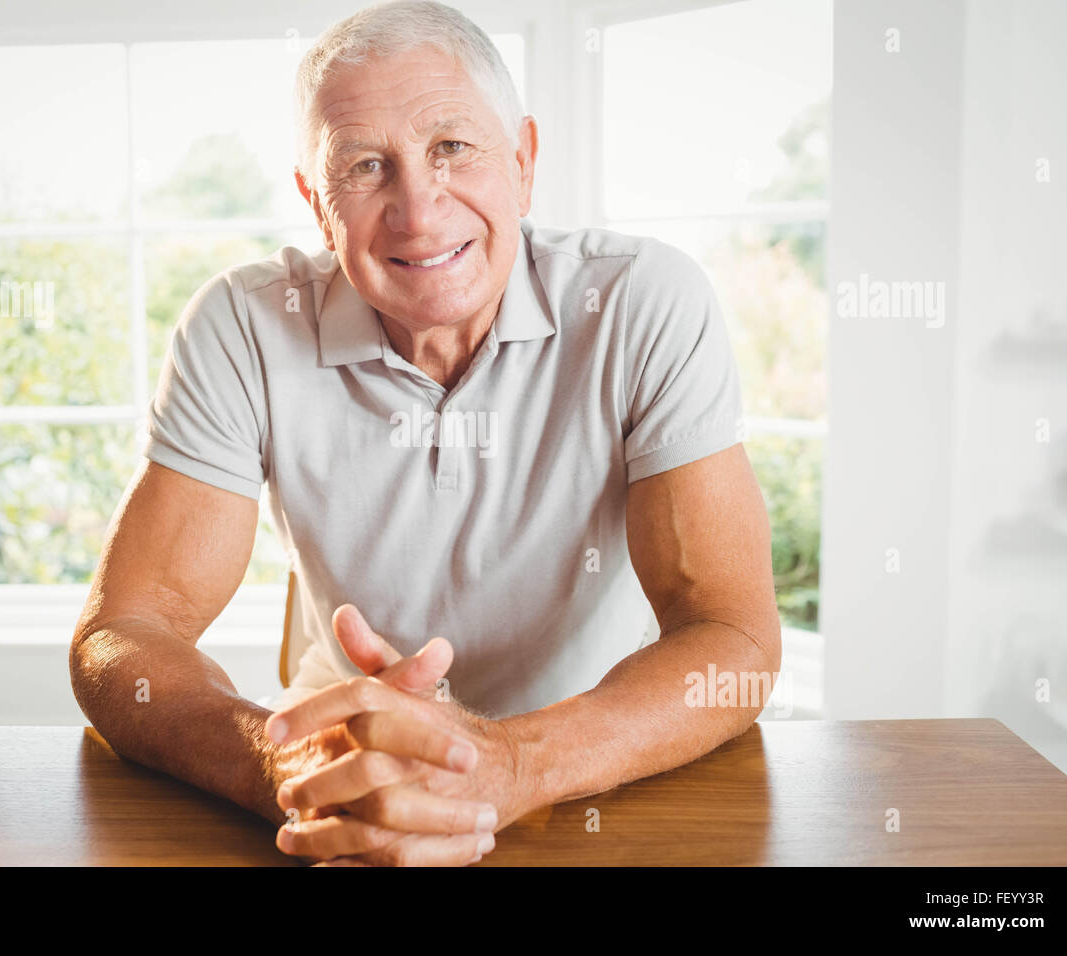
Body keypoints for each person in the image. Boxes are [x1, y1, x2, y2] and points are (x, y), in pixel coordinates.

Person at [70, 0, 780, 867]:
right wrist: (290, 765)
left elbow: (734, 639)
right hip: (342, 791)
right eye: (367, 167)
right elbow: (125, 634)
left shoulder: (645, 301)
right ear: (316, 201)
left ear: (522, 160)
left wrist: (510, 763)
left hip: (592, 783)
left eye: (452, 148)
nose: (417, 209)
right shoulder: (242, 324)